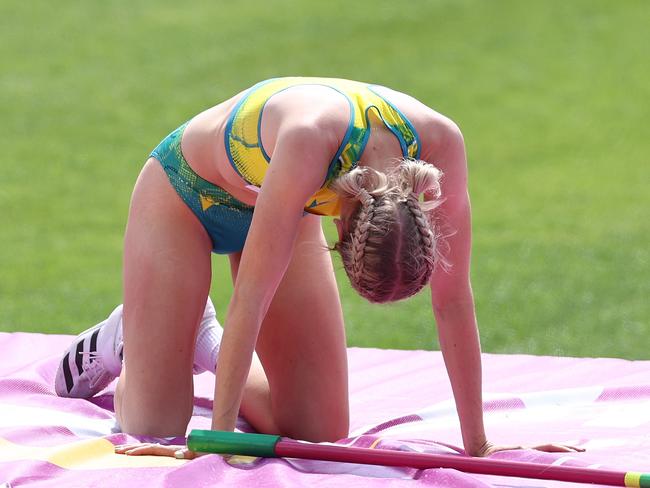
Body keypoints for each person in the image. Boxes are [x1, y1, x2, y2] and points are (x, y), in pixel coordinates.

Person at [55, 77, 581, 460]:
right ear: (341, 229)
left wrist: (479, 445)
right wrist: (218, 441)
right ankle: (128, 343)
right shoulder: (311, 142)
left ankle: (199, 340)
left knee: (319, 429)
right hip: (187, 197)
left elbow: (452, 300)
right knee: (157, 427)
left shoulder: (442, 145)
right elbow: (252, 298)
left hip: (282, 201)